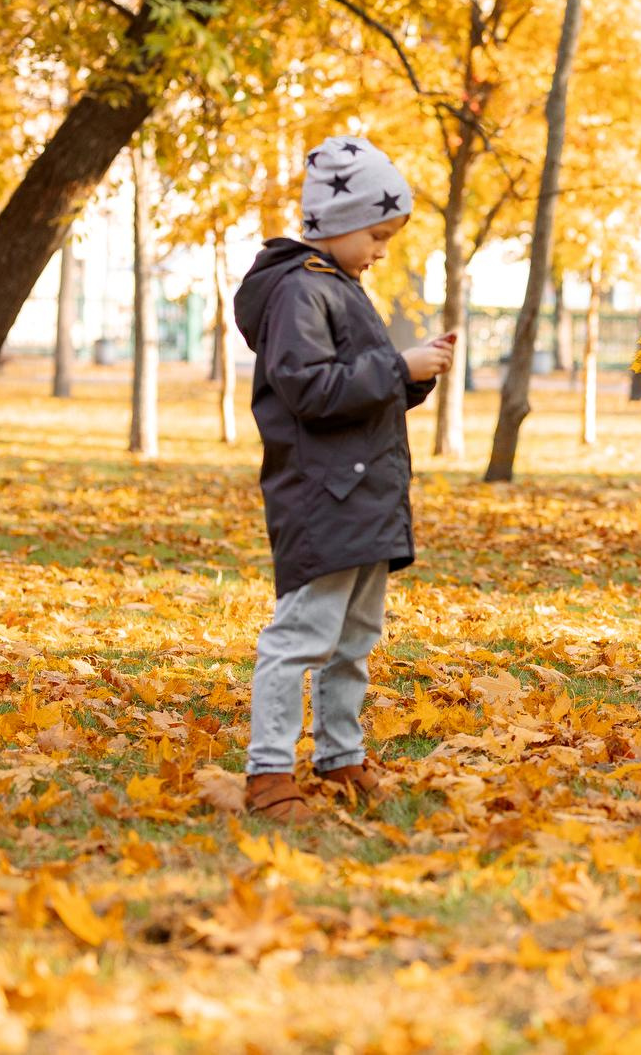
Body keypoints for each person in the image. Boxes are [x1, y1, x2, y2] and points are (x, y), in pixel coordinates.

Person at [231, 136, 458, 821]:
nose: (382, 249)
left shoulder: (340, 288)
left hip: (364, 498)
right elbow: (308, 389)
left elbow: (360, 390)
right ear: (333, 225)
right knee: (300, 636)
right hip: (323, 496)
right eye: (377, 233)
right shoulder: (300, 291)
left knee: (354, 639)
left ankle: (340, 754)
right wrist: (397, 369)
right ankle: (268, 771)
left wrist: (412, 376)